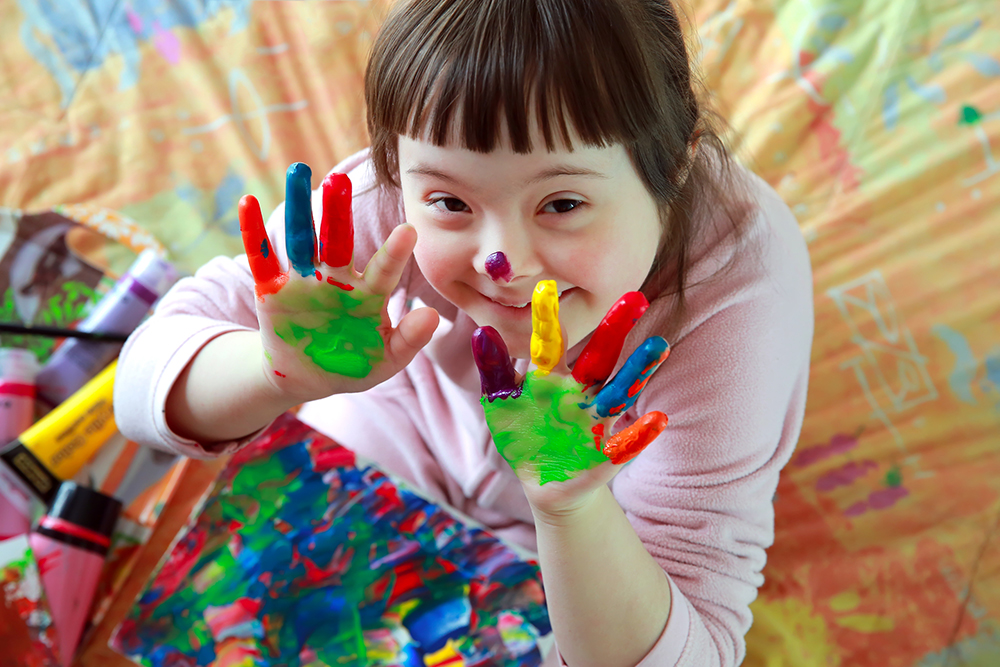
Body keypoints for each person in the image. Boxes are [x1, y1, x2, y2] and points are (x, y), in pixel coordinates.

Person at [115, 0, 814, 665]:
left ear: (676, 162)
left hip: (595, 539)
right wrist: (275, 372)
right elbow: (140, 384)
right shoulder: (381, 208)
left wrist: (571, 504)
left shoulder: (739, 294)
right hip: (393, 433)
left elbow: (689, 648)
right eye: (450, 200)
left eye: (562, 202)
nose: (501, 261)